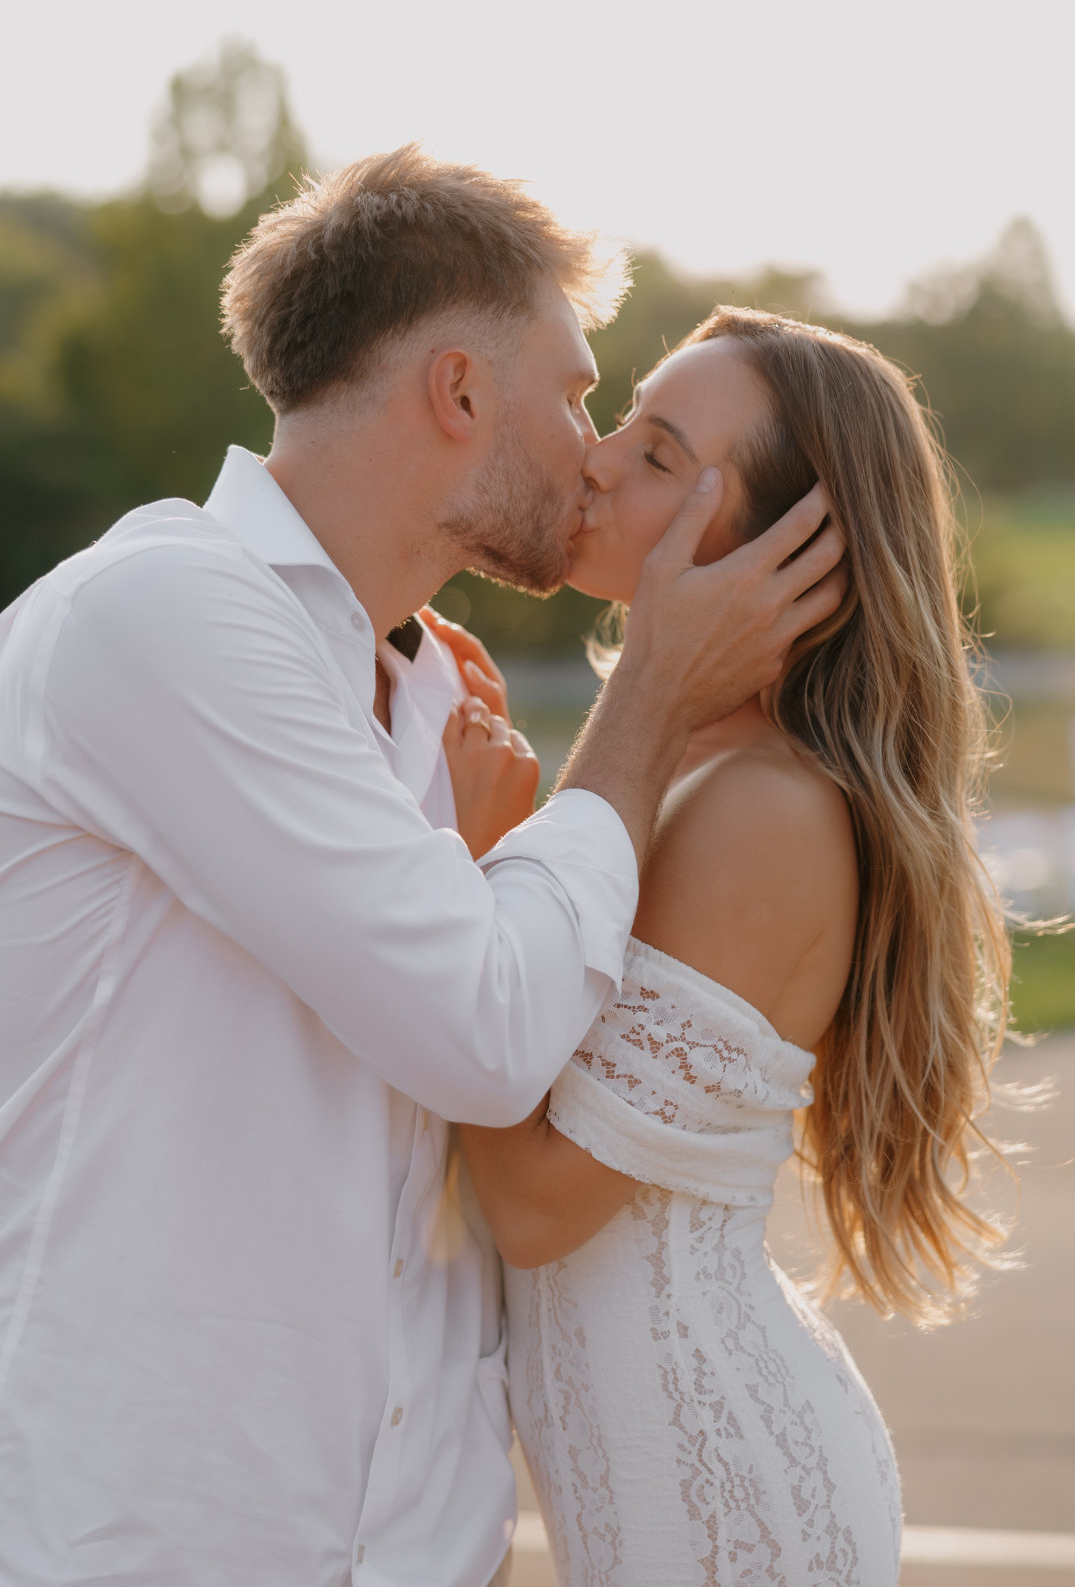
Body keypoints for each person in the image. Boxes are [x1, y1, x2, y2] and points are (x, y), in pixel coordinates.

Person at [0, 152, 845, 1586]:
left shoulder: (421, 708)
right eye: (577, 395)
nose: (592, 452)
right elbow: (482, 1036)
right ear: (457, 392)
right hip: (159, 1538)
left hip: (412, 1548)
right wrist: (642, 703)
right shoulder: (161, 618)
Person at [453, 307, 1013, 1586]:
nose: (595, 459)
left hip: (726, 1504)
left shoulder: (758, 811)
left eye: (656, 455)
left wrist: (466, 875)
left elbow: (537, 1206)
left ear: (785, 556)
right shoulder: (688, 768)